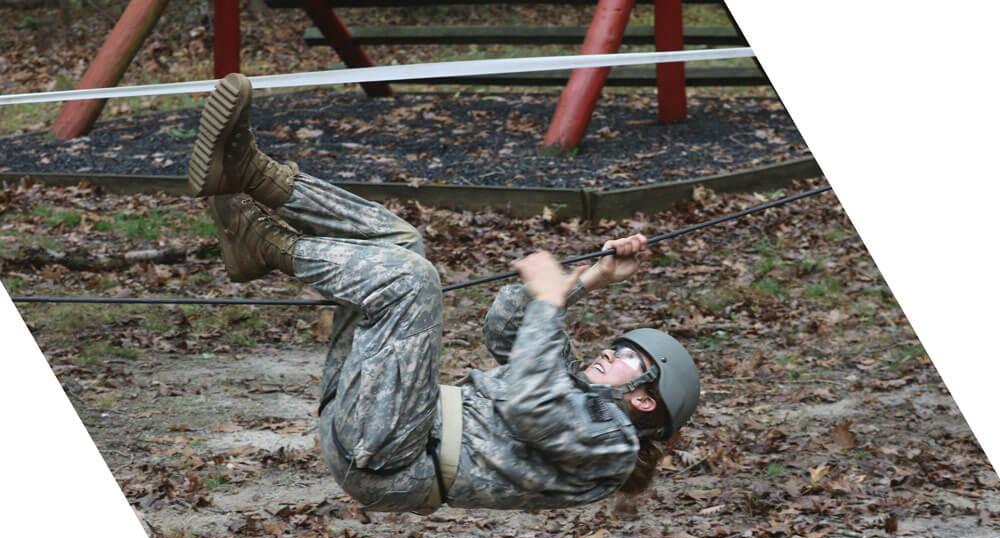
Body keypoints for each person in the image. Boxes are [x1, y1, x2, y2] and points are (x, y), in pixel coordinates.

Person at [188, 74, 700, 514]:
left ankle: (271, 244)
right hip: (375, 418)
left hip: (388, 457)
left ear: (643, 399)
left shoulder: (609, 450)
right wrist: (590, 279)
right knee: (404, 244)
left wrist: (550, 301)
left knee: (412, 282)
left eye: (630, 358)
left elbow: (529, 401)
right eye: (620, 344)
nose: (611, 351)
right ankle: (255, 176)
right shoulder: (570, 388)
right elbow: (504, 325)